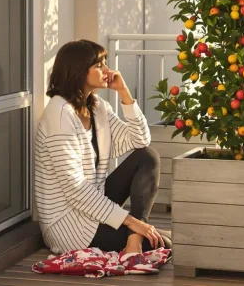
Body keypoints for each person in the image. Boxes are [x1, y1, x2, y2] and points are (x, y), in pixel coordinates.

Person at [35, 39, 169, 258]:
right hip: (69, 223)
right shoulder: (58, 115)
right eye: (99, 65)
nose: (107, 71)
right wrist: (129, 221)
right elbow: (75, 189)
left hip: (93, 206)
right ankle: (135, 233)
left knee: (147, 157)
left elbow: (140, 140)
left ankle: (134, 238)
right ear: (78, 71)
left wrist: (124, 93)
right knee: (163, 243)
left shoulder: (97, 108)